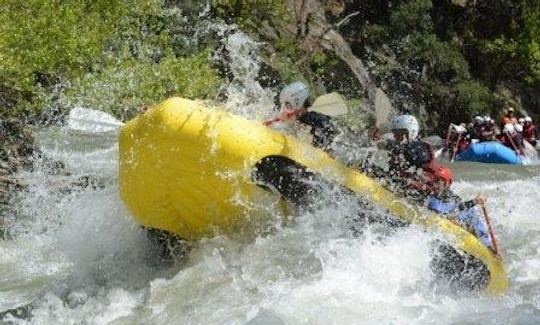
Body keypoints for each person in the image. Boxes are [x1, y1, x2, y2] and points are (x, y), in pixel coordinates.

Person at [425, 165, 494, 251]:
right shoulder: (433, 199)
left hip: (456, 221)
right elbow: (442, 215)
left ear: (448, 183)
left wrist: (474, 203)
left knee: (470, 212)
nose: (436, 184)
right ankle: (482, 239)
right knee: (468, 211)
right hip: (445, 222)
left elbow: (459, 208)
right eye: (435, 181)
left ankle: (486, 243)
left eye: (439, 181)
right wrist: (474, 202)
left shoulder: (453, 197)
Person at [265, 81, 338, 151]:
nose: (284, 111)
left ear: (297, 103)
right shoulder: (302, 114)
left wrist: (317, 148)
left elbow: (329, 130)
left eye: (288, 105)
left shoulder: (312, 117)